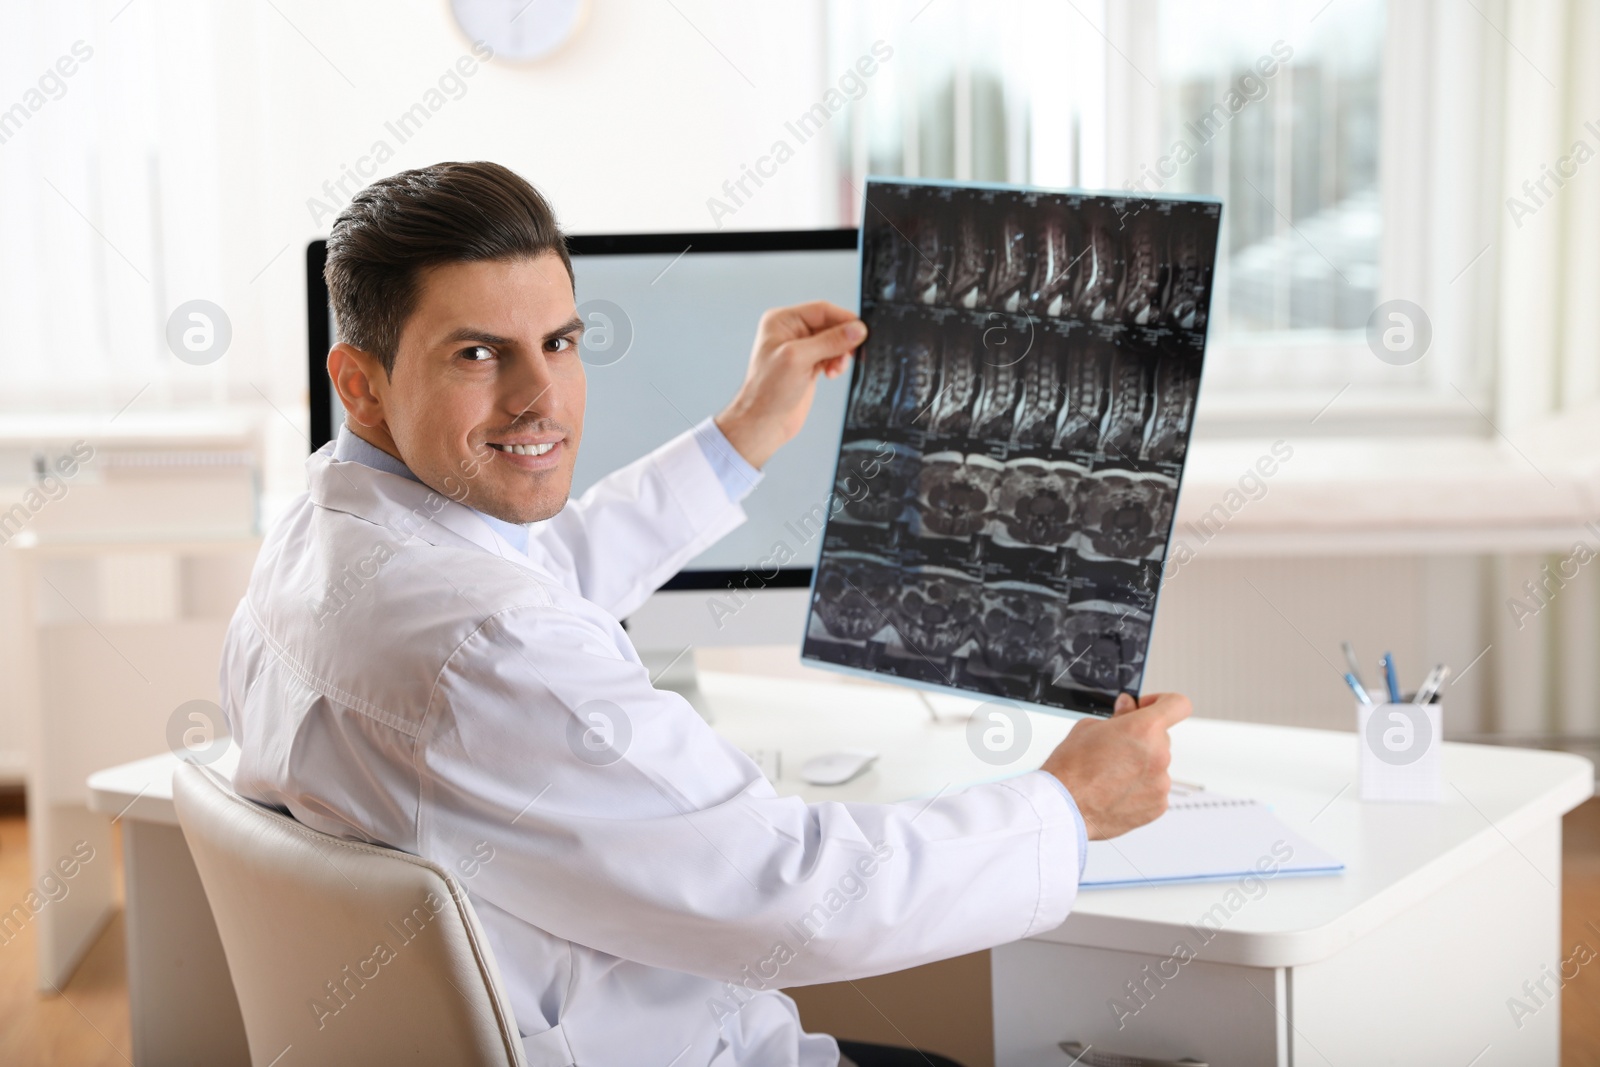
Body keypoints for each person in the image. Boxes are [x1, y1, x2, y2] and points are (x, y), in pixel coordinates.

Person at [219, 160, 1190, 1067]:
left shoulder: (317, 546)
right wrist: (1063, 805)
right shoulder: (489, 645)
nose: (540, 397)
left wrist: (740, 437)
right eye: (478, 354)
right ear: (360, 381)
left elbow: (526, 592)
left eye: (559, 342)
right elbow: (799, 895)